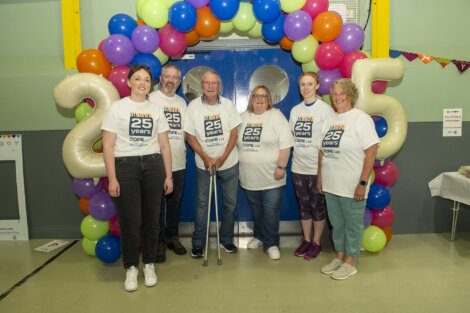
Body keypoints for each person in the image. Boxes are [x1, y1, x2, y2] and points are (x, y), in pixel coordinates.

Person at [102, 65, 173, 292]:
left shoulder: (156, 110)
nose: (142, 83)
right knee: (130, 220)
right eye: (137, 78)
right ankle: (131, 267)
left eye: (146, 79)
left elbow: (164, 145)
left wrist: (168, 175)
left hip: (153, 166)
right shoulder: (117, 108)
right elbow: (108, 146)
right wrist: (112, 178)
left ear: (150, 83)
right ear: (129, 82)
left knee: (152, 220)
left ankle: (149, 264)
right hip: (126, 167)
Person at [317, 79, 379, 280]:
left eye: (342, 93)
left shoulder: (361, 119)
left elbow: (371, 152)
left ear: (351, 95)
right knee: (337, 223)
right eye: (334, 93)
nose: (338, 96)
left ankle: (351, 261)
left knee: (352, 224)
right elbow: (322, 152)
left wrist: (362, 183)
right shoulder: (329, 119)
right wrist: (320, 178)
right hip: (332, 183)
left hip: (353, 185)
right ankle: (340, 257)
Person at [184, 70, 242, 258]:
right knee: (202, 204)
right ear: (202, 86)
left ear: (219, 86)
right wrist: (206, 158)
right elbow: (190, 136)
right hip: (204, 165)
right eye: (207, 83)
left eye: (214, 83)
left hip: (229, 163)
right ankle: (199, 243)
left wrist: (223, 157)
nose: (210, 86)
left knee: (230, 204)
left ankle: (226, 240)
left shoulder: (228, 105)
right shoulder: (193, 106)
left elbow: (234, 133)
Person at [238, 86, 293, 260]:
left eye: (264, 96)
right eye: (256, 96)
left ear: (269, 99)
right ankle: (259, 236)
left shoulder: (276, 116)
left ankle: (272, 243)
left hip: (272, 176)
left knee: (270, 211)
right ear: (251, 99)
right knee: (257, 211)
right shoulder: (242, 118)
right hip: (249, 176)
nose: (260, 99)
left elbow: (286, 145)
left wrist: (281, 167)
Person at [289, 72, 334, 260]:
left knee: (318, 208)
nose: (305, 88)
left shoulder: (325, 110)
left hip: (317, 170)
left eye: (309, 84)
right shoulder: (295, 111)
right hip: (298, 168)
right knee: (304, 207)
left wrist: (321, 171)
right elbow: (292, 136)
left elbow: (327, 143)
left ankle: (317, 243)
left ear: (317, 86)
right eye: (302, 85)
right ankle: (306, 240)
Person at [149, 64, 187, 263]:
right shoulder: (150, 99)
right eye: (167, 76)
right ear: (160, 79)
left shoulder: (182, 103)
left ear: (179, 82)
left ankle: (173, 238)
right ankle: (158, 243)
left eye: (175, 77)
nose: (171, 80)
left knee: (174, 205)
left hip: (179, 163)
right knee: (157, 207)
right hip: (156, 163)